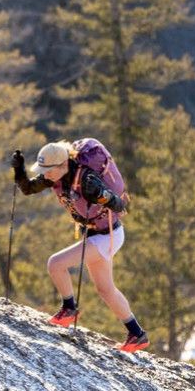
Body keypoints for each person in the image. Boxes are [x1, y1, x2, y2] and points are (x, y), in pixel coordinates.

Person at [12, 140, 149, 352]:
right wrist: (19, 170)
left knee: (55, 264)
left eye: (47, 171)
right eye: (43, 171)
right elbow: (28, 188)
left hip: (108, 235)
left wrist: (102, 196)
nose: (45, 175)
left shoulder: (86, 177)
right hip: (97, 235)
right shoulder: (55, 177)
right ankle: (137, 335)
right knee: (106, 290)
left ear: (63, 164)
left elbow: (119, 205)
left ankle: (69, 309)